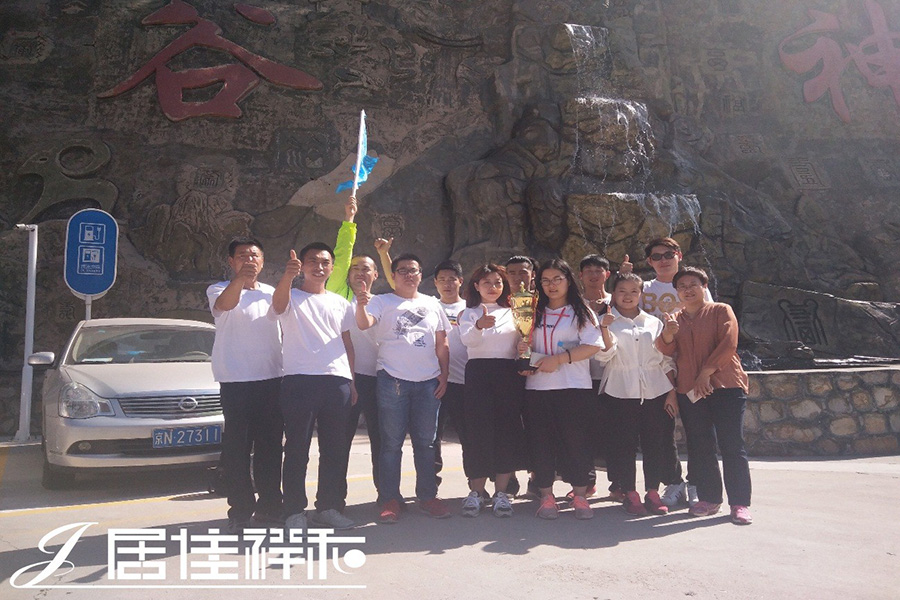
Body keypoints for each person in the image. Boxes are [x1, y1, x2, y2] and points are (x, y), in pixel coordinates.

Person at [356, 253, 452, 523]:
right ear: (393, 275)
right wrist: (361, 305)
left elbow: (442, 343)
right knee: (391, 444)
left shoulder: (432, 304)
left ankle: (428, 496)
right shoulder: (381, 301)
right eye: (403, 271)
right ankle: (390, 499)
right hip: (392, 380)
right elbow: (364, 324)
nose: (409, 275)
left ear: (421, 274)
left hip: (428, 382)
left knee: (426, 443)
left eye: (414, 270)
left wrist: (444, 375)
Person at [271, 242, 358, 531]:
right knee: (297, 448)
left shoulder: (340, 302)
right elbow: (278, 307)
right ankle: (294, 512)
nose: (318, 267)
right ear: (302, 265)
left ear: (332, 268)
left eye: (324, 262)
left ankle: (328, 507)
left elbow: (347, 343)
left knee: (335, 449)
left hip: (337, 381)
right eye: (312, 261)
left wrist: (352, 381)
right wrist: (288, 276)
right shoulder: (291, 296)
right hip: (300, 380)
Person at [658, 266, 753, 525]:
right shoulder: (675, 319)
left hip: (726, 386)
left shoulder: (721, 310)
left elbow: (729, 342)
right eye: (682, 286)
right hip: (690, 391)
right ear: (676, 291)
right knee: (701, 445)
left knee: (732, 445)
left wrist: (706, 373)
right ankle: (710, 499)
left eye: (693, 285)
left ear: (704, 287)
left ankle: (739, 503)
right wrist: (668, 333)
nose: (687, 290)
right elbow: (665, 350)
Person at [619, 236, 710, 508]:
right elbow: (620, 305)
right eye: (656, 257)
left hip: (691, 365)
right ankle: (674, 481)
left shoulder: (692, 285)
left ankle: (697, 482)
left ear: (679, 255)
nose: (663, 260)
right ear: (649, 262)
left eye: (669, 254)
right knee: (663, 431)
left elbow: (709, 321)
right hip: (658, 368)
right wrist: (622, 276)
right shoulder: (643, 288)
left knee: (697, 429)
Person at [521, 258, 613, 520]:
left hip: (574, 387)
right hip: (538, 387)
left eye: (557, 279)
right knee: (541, 442)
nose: (551, 285)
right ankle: (546, 496)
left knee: (577, 442)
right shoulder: (532, 311)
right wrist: (523, 352)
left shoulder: (581, 311)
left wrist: (560, 359)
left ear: (568, 281)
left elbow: (593, 345)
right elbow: (523, 342)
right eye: (545, 280)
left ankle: (580, 495)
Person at [207, 237, 284, 534]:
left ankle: (270, 506)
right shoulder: (218, 289)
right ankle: (239, 510)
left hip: (271, 379)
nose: (250, 260)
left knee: (271, 448)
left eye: (254, 255)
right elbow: (225, 305)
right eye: (242, 256)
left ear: (263, 261)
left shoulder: (272, 293)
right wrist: (240, 279)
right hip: (236, 381)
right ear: (231, 261)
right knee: (238, 450)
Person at [594, 273, 680, 516]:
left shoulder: (653, 322)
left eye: (634, 291)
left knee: (655, 443)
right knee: (624, 444)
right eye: (622, 290)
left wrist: (672, 392)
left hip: (655, 389)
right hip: (620, 390)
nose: (628, 296)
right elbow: (603, 357)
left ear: (641, 294)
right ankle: (630, 492)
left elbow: (665, 359)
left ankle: (652, 491)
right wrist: (604, 329)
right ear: (613, 293)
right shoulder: (604, 321)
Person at [326, 195, 390, 498]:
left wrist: (385, 255)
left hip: (380, 381)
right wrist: (349, 221)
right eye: (355, 269)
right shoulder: (337, 297)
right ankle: (334, 500)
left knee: (382, 441)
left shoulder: (386, 303)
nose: (360, 273)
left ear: (376, 275)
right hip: (345, 379)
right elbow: (341, 256)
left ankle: (386, 496)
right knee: (339, 442)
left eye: (367, 269)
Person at [457, 264, 526, 517]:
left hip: (507, 373)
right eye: (486, 282)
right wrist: (479, 325)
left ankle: (501, 493)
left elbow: (522, 340)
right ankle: (476, 492)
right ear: (476, 286)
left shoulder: (514, 311)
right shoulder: (468, 313)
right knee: (478, 431)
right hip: (478, 373)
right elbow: (468, 341)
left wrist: (524, 346)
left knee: (506, 430)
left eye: (498, 282)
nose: (492, 287)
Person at [573, 254, 613, 500]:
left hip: (612, 377)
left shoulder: (618, 300)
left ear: (607, 274)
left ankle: (619, 483)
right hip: (581, 377)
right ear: (580, 275)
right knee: (581, 432)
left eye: (599, 270)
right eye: (588, 271)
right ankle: (586, 482)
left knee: (614, 431)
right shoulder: (573, 303)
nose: (593, 275)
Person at [433, 260, 468, 490]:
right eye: (442, 279)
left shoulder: (471, 308)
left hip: (463, 381)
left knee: (469, 436)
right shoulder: (429, 306)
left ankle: (476, 485)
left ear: (460, 281)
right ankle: (430, 484)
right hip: (434, 382)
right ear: (435, 283)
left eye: (452, 279)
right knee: (431, 437)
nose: (447, 284)